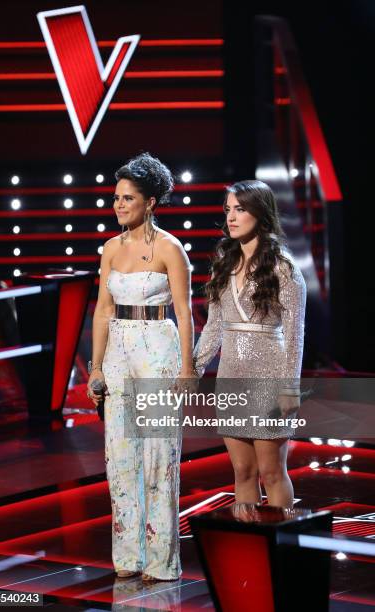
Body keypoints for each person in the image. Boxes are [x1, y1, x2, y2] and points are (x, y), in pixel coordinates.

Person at [87, 152, 196, 582]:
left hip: (158, 349)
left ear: (150, 201)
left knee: (157, 457)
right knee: (120, 457)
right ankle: (127, 558)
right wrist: (95, 367)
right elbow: (101, 310)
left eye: (127, 198)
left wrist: (188, 368)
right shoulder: (111, 248)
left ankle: (161, 561)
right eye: (115, 198)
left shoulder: (172, 248)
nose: (118, 206)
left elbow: (186, 314)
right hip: (118, 351)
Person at [193, 180, 306, 508]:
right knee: (242, 471)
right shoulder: (223, 263)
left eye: (240, 209)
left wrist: (290, 387)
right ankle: (249, 549)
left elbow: (295, 334)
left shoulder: (283, 268)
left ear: (260, 213)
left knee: (271, 472)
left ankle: (280, 545)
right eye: (228, 209)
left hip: (269, 377)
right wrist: (194, 368)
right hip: (231, 377)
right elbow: (213, 327)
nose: (231, 217)